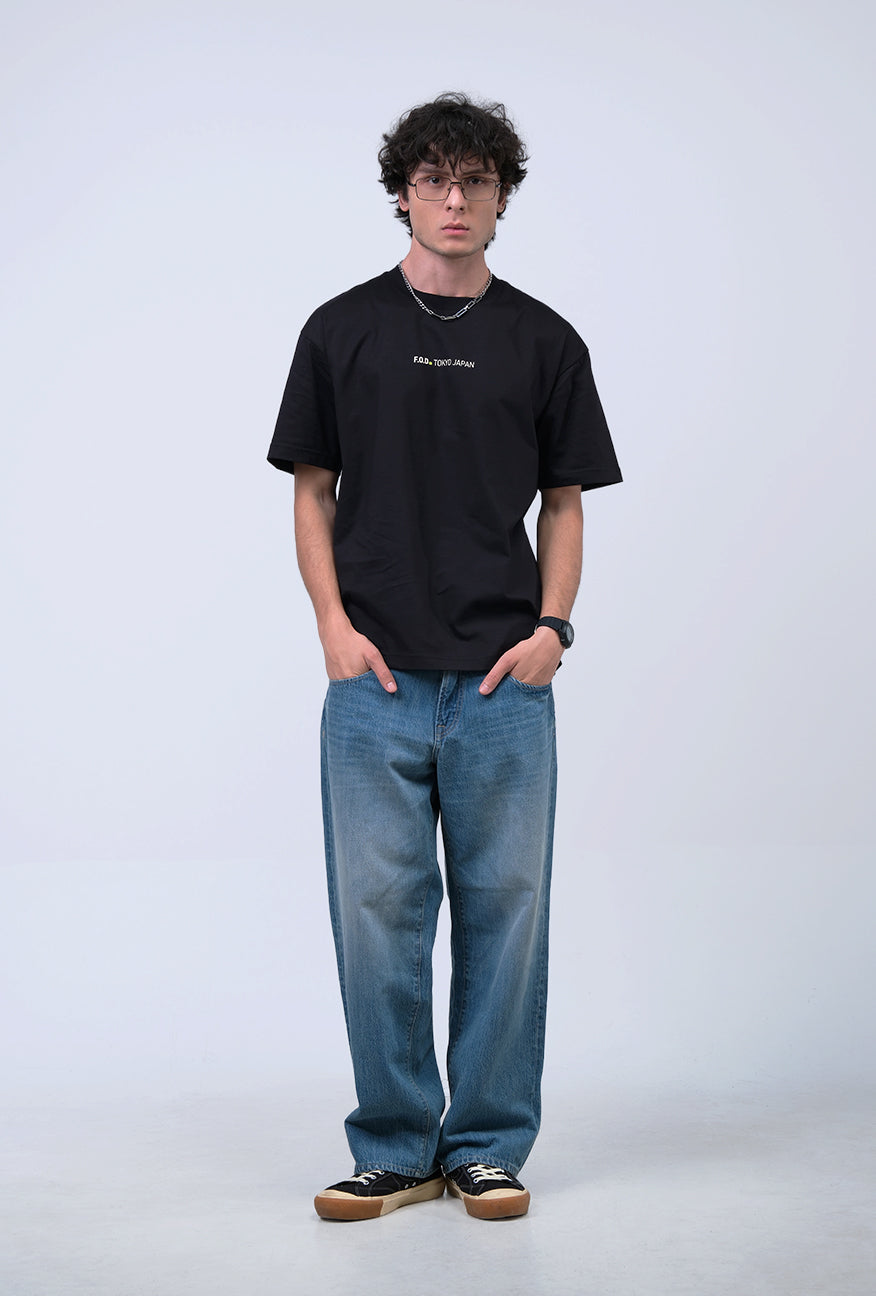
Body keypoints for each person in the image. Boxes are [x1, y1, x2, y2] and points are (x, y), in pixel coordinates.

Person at [267, 91, 622, 1221]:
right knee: (376, 917)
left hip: (502, 683)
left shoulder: (545, 341)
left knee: (508, 915)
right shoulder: (341, 330)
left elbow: (565, 502)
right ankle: (392, 1145)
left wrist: (552, 632)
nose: (455, 199)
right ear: (403, 194)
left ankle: (486, 1147)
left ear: (503, 197)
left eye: (476, 181)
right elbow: (311, 491)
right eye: (434, 180)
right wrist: (332, 627)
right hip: (371, 681)